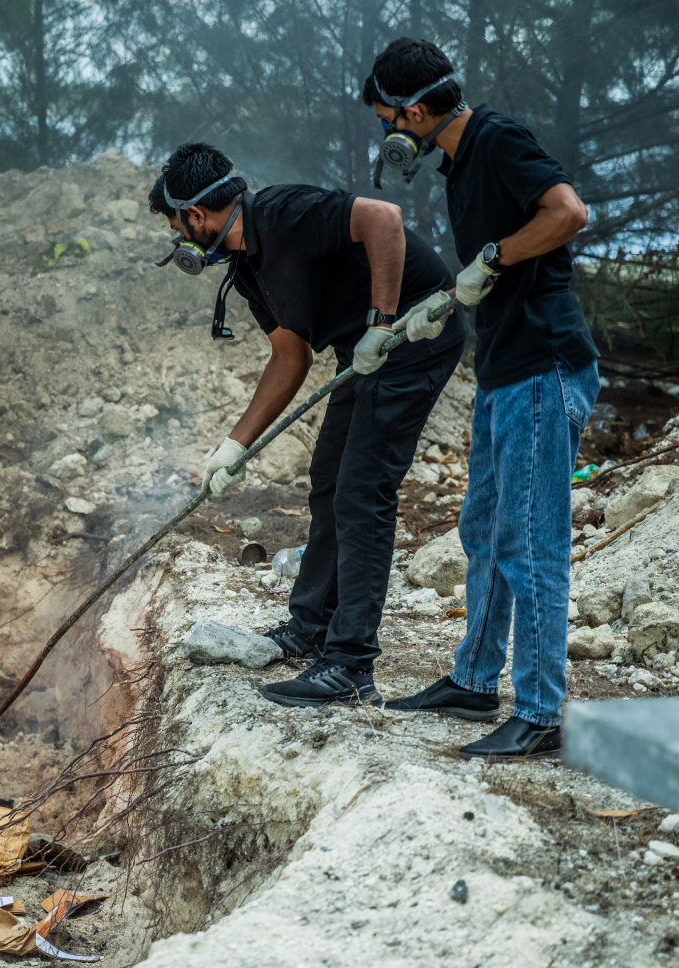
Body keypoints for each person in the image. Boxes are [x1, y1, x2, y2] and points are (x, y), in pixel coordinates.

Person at [148, 143, 465, 708]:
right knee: (328, 481)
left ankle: (349, 664)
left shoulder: (287, 212)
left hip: (415, 331)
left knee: (362, 493)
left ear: (195, 216)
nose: (180, 240)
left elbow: (383, 218)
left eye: (177, 226)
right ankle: (310, 628)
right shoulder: (247, 269)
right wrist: (233, 446)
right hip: (364, 351)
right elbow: (289, 357)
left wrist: (382, 321)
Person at [362, 38, 598, 760]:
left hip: (542, 362)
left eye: (386, 121)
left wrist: (493, 257)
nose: (388, 137)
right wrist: (439, 304)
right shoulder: (460, 163)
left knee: (531, 543)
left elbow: (567, 213)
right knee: (487, 531)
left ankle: (540, 711)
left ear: (413, 110)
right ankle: (473, 678)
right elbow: (487, 266)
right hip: (502, 368)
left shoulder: (496, 139)